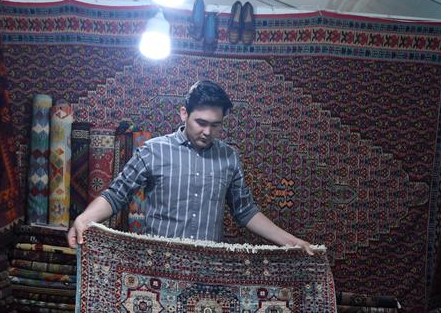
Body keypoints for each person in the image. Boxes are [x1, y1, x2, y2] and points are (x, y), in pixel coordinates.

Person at [68, 80, 313, 252]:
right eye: (201, 122)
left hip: (207, 270)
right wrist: (84, 218)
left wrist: (290, 241)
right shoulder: (154, 150)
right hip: (158, 267)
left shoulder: (229, 157)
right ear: (184, 114)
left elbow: (245, 211)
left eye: (216, 125)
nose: (208, 132)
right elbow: (116, 195)